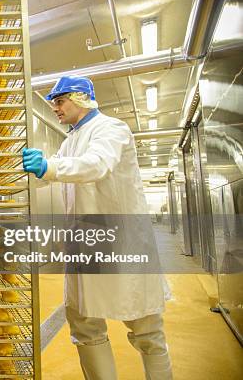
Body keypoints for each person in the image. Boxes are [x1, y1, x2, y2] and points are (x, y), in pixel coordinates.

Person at [22, 76, 173, 380]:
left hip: (122, 245)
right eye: (54, 102)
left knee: (146, 329)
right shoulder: (69, 142)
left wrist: (49, 167)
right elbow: (56, 176)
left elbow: (96, 164)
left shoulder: (111, 129)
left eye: (60, 101)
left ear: (81, 98)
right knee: (84, 325)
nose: (55, 108)